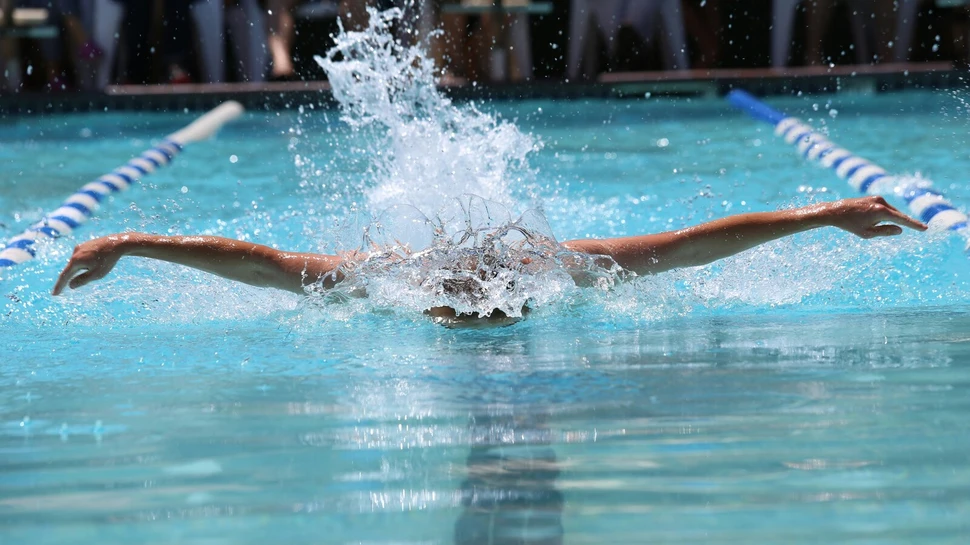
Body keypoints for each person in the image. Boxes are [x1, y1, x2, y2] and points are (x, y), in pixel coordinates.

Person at [52, 196, 927, 323]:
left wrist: (827, 215)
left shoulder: (559, 268)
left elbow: (695, 246)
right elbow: (260, 261)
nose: (478, 310)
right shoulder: (387, 278)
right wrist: (126, 241)